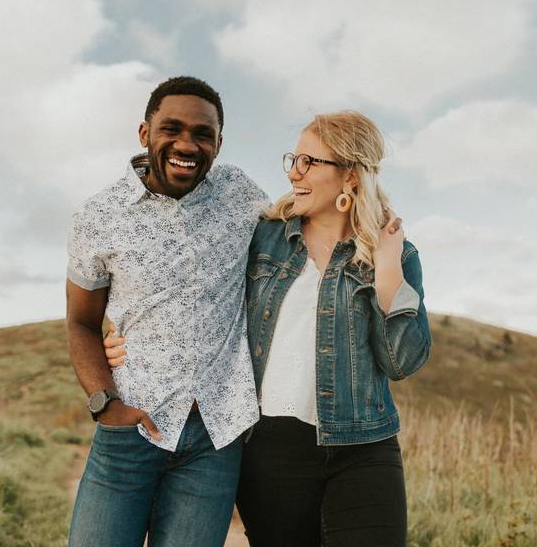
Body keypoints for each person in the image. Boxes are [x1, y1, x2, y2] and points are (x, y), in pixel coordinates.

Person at [107, 111, 430, 546]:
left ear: (350, 176)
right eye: (293, 159)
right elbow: (195, 296)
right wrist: (123, 337)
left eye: (309, 162)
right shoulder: (263, 237)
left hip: (364, 446)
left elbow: (401, 362)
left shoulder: (394, 252)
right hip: (271, 449)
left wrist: (387, 273)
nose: (294, 173)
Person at [66, 76, 268, 547]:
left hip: (215, 439)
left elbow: (306, 226)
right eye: (171, 129)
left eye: (202, 134)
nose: (186, 144)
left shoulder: (240, 194)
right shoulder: (98, 217)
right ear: (144, 133)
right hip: (129, 432)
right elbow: (80, 322)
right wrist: (105, 403)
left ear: (218, 143)